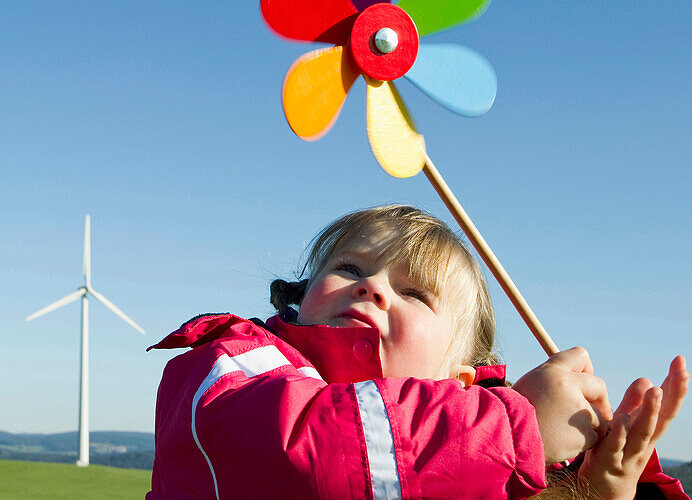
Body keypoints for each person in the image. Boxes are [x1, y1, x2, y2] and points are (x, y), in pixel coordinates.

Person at [147, 205, 688, 499]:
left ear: (462, 380)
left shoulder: (475, 476)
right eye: (350, 268)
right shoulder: (231, 366)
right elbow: (300, 459)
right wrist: (517, 426)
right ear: (302, 294)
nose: (372, 287)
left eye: (414, 293)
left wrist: (594, 491)